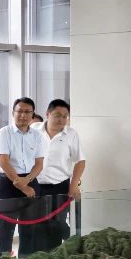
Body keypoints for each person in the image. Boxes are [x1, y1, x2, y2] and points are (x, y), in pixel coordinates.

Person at [0, 97, 47, 258]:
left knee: (29, 227)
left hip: (30, 181)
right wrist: (22, 185)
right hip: (8, 182)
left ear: (32, 115)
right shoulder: (4, 133)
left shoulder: (37, 136)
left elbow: (39, 164)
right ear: (13, 113)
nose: (23, 115)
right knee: (6, 228)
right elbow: (4, 161)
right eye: (19, 111)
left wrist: (27, 180)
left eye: (27, 112)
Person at [36, 99, 85, 251]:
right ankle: (35, 256)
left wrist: (74, 184)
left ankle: (57, 255)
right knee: (36, 224)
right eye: (57, 115)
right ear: (47, 114)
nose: (62, 119)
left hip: (60, 186)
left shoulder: (71, 134)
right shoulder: (34, 130)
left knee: (56, 224)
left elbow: (80, 161)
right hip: (35, 185)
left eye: (65, 116)